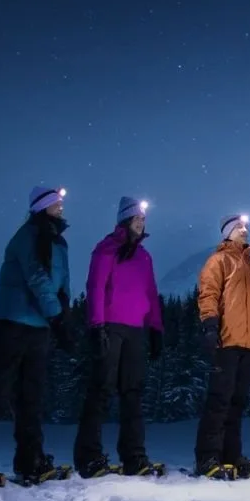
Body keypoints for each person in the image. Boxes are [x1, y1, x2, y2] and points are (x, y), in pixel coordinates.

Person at [0, 184, 77, 493]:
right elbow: (37, 277)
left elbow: (62, 282)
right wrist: (56, 315)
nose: (61, 206)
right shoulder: (27, 236)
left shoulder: (58, 241)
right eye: (56, 202)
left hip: (39, 327)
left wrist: (64, 312)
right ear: (42, 206)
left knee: (31, 397)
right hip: (12, 323)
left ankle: (31, 462)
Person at [73, 196, 166, 478]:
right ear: (125, 220)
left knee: (132, 393)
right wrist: (96, 326)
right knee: (101, 390)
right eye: (137, 218)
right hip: (110, 326)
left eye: (143, 219)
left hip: (136, 330)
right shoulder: (106, 249)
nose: (141, 223)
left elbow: (151, 293)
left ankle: (134, 457)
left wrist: (156, 328)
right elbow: (95, 287)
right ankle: (89, 457)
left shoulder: (144, 256)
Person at [192, 213, 250, 479]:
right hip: (227, 340)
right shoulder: (218, 261)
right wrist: (210, 324)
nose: (244, 229)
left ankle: (232, 456)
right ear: (228, 232)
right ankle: (207, 457)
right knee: (219, 400)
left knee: (238, 402)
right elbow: (208, 294)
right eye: (239, 226)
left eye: (246, 226)